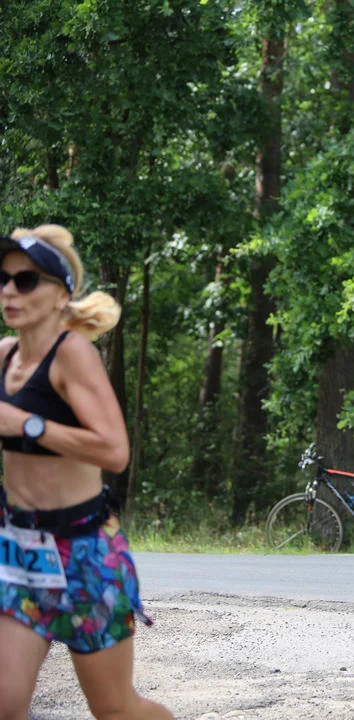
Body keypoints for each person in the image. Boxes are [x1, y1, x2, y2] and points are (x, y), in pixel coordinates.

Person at [0, 225, 173, 719]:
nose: (10, 291)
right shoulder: (4, 356)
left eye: (26, 280)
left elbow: (115, 451)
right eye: (3, 279)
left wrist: (26, 423)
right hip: (19, 553)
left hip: (85, 553)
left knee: (116, 709)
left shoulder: (73, 354)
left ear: (61, 294)